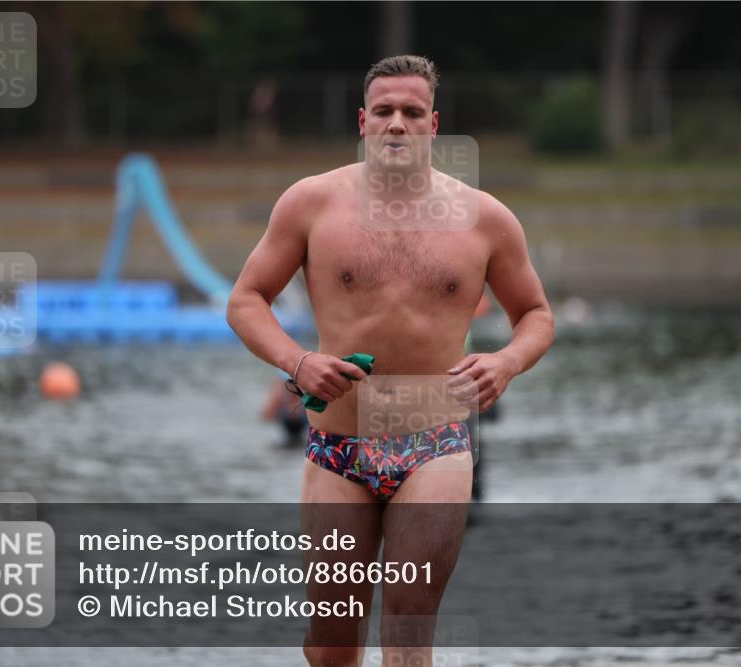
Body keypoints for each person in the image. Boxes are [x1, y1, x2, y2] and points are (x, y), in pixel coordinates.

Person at [227, 54, 554, 667]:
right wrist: (297, 364)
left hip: (435, 447)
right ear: (363, 121)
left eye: (411, 112)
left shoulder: (486, 219)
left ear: (434, 124)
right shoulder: (311, 203)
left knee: (407, 631)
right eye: (384, 112)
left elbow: (537, 315)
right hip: (337, 449)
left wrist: (507, 362)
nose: (397, 124)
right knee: (333, 644)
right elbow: (245, 301)